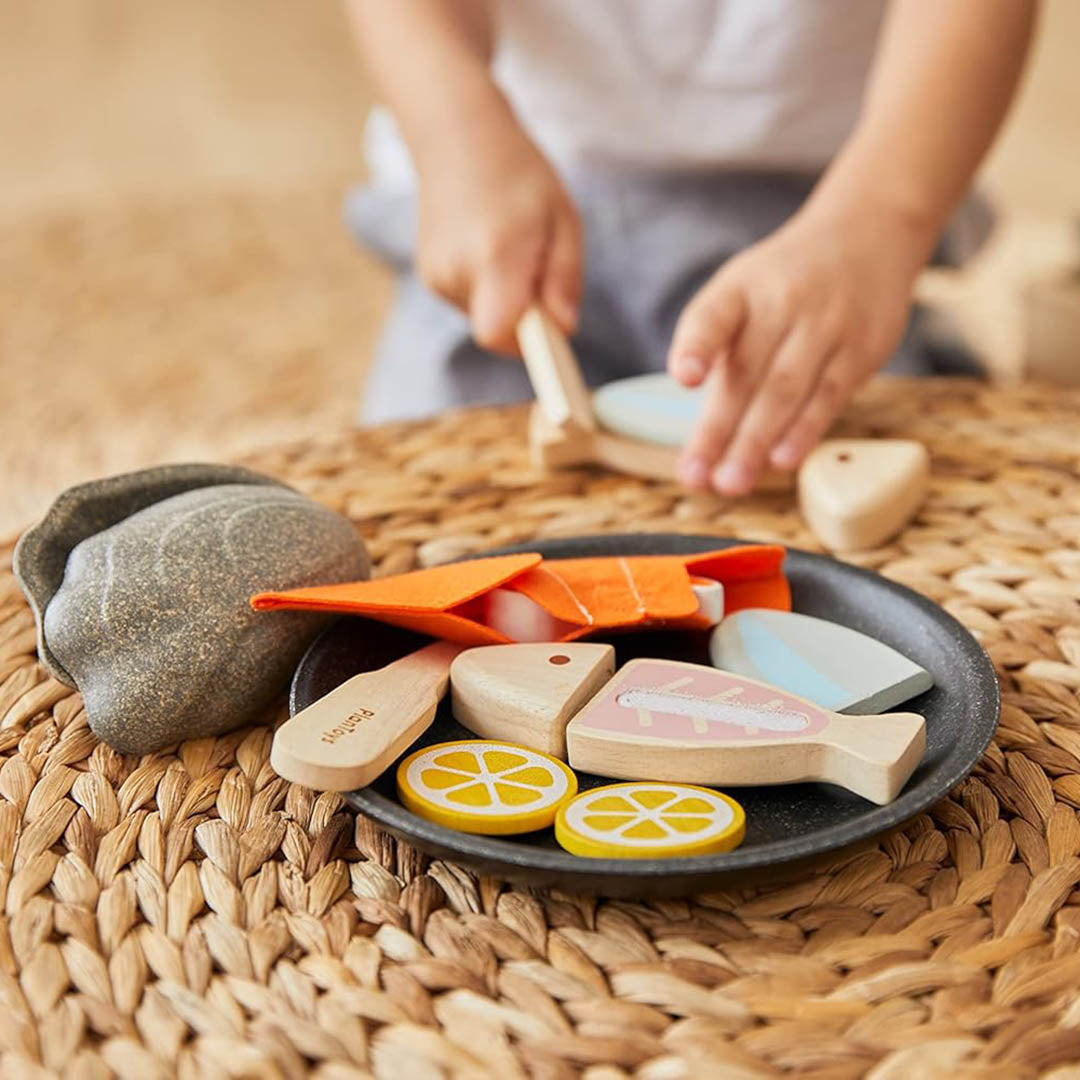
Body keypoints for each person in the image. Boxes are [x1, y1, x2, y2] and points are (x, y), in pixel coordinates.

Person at [345, 0, 1036, 495]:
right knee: (432, 480)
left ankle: (918, 329)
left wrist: (882, 221)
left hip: (814, 214)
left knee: (883, 470)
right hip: (501, 189)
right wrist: (452, 129)